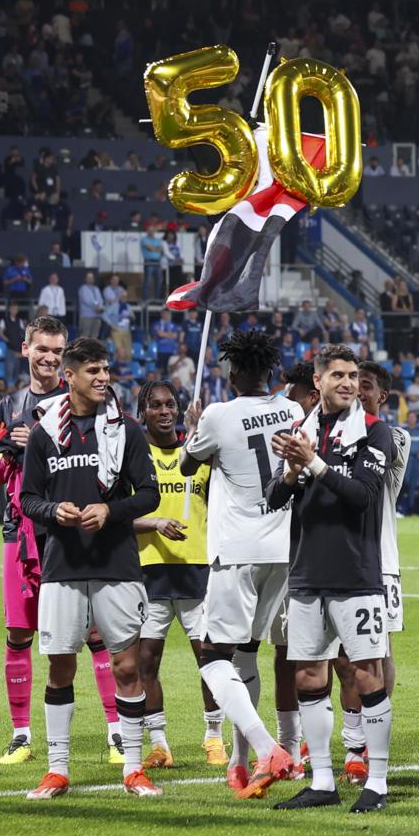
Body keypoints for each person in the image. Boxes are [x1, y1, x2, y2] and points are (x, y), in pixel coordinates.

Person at [18, 337, 162, 800]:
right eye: (93, 371)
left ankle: (134, 770)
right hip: (63, 565)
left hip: (117, 563)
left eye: (106, 370)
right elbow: (28, 497)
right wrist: (52, 510)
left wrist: (111, 511)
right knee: (60, 666)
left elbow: (149, 493)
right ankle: (57, 770)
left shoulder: (127, 430)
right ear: (70, 376)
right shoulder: (45, 432)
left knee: (126, 667)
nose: (103, 378)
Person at [0, 316, 125, 766]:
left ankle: (117, 733)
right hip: (22, 529)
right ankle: (21, 735)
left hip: (76, 527)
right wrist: (12, 453)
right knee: (19, 631)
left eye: (55, 349)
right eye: (40, 348)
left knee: (97, 632)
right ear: (25, 349)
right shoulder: (8, 408)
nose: (47, 356)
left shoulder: (89, 399)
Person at [266, 345, 398, 814]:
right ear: (317, 381)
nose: (346, 383)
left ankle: (377, 780)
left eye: (353, 375)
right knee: (307, 674)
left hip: (356, 574)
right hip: (305, 572)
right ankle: (322, 779)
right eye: (337, 375)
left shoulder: (375, 433)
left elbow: (362, 496)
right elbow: (273, 498)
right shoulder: (300, 431)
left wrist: (315, 465)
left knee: (366, 674)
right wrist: (290, 472)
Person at [180, 330, 303, 799]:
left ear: (232, 373)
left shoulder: (216, 415)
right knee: (246, 653)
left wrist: (196, 429)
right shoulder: (292, 411)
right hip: (281, 550)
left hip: (235, 550)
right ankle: (238, 761)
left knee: (212, 657)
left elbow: (190, 465)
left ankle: (266, 746)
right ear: (270, 371)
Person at [133, 381, 224, 769]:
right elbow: (118, 515)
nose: (164, 411)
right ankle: (159, 744)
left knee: (210, 661)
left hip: (196, 570)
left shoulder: (198, 454)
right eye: (155, 405)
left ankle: (214, 737)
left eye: (170, 404)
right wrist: (153, 524)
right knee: (146, 663)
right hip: (149, 573)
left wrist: (202, 430)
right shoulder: (135, 456)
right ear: (144, 412)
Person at [334, 360, 411, 780]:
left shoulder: (395, 436)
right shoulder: (332, 429)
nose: (356, 391)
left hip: (380, 560)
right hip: (334, 555)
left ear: (382, 396)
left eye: (364, 386)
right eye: (349, 383)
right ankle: (351, 732)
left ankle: (368, 738)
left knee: (376, 653)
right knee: (336, 655)